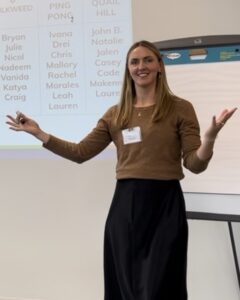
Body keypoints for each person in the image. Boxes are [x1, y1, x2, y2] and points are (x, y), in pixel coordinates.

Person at [6, 40, 237, 300]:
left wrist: (210, 139)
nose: (142, 66)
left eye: (148, 60)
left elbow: (195, 164)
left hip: (165, 207)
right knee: (126, 287)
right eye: (134, 62)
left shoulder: (180, 108)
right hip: (125, 207)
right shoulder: (116, 114)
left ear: (160, 66)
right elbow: (81, 153)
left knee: (160, 287)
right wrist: (40, 134)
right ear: (128, 70)